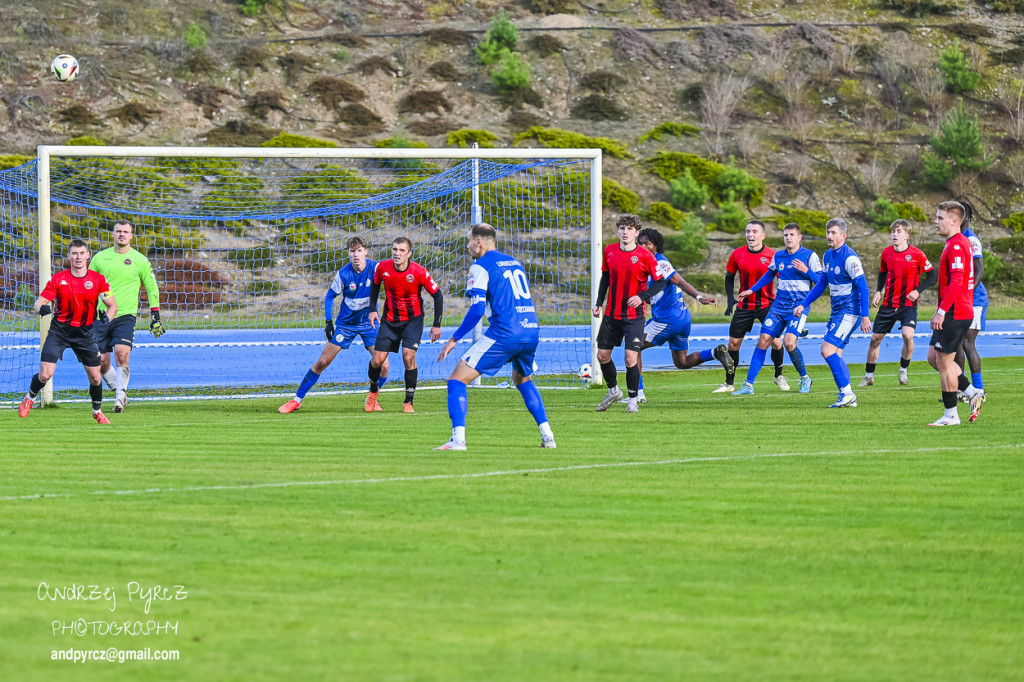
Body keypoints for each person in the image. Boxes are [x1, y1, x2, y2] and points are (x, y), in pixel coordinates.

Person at [435, 224, 555, 450]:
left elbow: (477, 310)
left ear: (479, 242)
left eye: (469, 240)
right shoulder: (514, 262)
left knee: (456, 380)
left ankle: (458, 440)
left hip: (505, 332)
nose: (468, 245)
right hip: (530, 330)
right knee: (522, 380)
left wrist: (455, 339)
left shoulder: (480, 267)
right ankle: (548, 437)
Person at [278, 236, 390, 413]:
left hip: (369, 323)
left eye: (359, 250)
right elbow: (330, 296)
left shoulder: (376, 268)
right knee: (322, 361)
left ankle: (372, 397)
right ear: (348, 253)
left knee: (384, 365)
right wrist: (328, 322)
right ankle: (296, 400)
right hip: (346, 324)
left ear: (366, 252)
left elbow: (392, 283)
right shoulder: (343, 274)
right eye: (353, 251)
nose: (356, 254)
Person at [18, 239, 118, 424]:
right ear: (68, 256)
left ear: (88, 255)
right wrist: (42, 309)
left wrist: (107, 318)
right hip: (59, 332)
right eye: (74, 253)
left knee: (96, 377)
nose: (78, 257)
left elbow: (112, 305)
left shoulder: (98, 279)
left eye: (81, 253)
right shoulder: (58, 279)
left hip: (85, 333)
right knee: (45, 374)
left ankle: (97, 411)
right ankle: (29, 398)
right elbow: (39, 302)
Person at [633, 227, 732, 397]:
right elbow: (655, 295)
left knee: (633, 346)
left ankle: (637, 394)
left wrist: (700, 297)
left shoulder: (660, 262)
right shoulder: (646, 265)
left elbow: (681, 282)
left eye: (647, 244)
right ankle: (715, 352)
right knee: (682, 362)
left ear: (655, 246)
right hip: (682, 318)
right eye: (640, 244)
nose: (642, 247)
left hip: (668, 319)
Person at [732, 222, 822, 396]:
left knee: (789, 343)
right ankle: (748, 385)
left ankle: (804, 378)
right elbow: (769, 274)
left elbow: (821, 281)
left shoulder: (810, 256)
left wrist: (807, 271)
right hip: (779, 306)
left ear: (799, 237)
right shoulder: (779, 256)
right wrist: (752, 290)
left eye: (792, 235)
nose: (788, 238)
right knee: (763, 340)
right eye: (785, 235)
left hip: (798, 307)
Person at [793, 218, 871, 408]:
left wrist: (865, 316)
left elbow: (864, 288)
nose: (829, 236)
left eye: (833, 233)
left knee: (826, 350)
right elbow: (821, 284)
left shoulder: (850, 258)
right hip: (837, 311)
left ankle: (847, 393)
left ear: (843, 236)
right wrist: (804, 304)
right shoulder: (828, 255)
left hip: (849, 310)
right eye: (828, 232)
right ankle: (848, 395)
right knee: (835, 352)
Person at [88, 219, 165, 412]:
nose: (121, 234)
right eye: (118, 231)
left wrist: (155, 314)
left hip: (126, 316)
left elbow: (151, 287)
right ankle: (121, 393)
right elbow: (88, 285)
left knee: (121, 353)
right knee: (102, 362)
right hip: (101, 316)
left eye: (125, 231)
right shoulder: (100, 258)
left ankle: (119, 398)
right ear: (112, 234)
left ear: (131, 236)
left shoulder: (139, 260)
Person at [592, 214, 666, 414]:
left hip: (634, 316)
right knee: (602, 355)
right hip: (611, 314)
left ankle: (633, 399)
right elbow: (605, 279)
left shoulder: (645, 256)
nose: (625, 232)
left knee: (630, 359)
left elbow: (660, 281)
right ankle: (614, 391)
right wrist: (599, 303)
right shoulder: (609, 251)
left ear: (637, 232)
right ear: (618, 231)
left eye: (629, 229)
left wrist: (642, 296)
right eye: (622, 228)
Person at [365, 237, 443, 413]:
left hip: (412, 321)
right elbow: (375, 286)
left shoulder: (419, 272)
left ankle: (408, 401)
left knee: (408, 357)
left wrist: (436, 324)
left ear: (409, 254)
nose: (397, 253)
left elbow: (438, 295)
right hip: (389, 320)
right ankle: (372, 391)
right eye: (394, 249)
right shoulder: (382, 268)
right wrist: (372, 309)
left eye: (401, 250)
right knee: (377, 361)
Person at [858, 219, 936, 387]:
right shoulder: (886, 253)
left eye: (899, 231)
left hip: (907, 305)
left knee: (908, 336)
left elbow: (932, 275)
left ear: (907, 235)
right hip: (888, 304)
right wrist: (879, 291)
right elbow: (882, 273)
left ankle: (903, 370)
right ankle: (869, 376)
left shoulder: (917, 254)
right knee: (875, 339)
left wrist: (918, 291)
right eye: (893, 231)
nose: (895, 234)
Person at [927, 201, 982, 426]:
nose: (936, 221)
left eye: (940, 218)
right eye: (937, 217)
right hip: (953, 311)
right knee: (934, 358)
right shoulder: (953, 243)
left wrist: (941, 311)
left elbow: (958, 281)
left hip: (955, 312)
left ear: (954, 221)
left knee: (944, 362)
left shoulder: (958, 245)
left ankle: (951, 415)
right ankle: (971, 392)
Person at [718, 220, 787, 393]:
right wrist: (730, 299)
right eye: (748, 231)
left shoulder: (773, 255)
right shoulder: (737, 254)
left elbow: (783, 279)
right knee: (733, 344)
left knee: (777, 342)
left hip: (767, 305)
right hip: (745, 305)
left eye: (755, 231)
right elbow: (729, 277)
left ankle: (778, 375)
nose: (750, 235)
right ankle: (729, 383)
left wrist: (782, 302)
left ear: (763, 235)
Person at [955, 202, 987, 402]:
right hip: (960, 299)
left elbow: (979, 270)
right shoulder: (955, 239)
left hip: (974, 300)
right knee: (956, 345)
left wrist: (966, 293)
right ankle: (962, 389)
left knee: (968, 343)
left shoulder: (971, 239)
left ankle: (979, 390)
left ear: (966, 217)